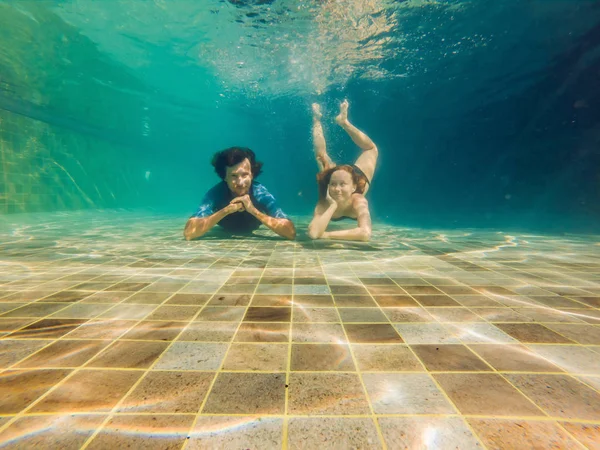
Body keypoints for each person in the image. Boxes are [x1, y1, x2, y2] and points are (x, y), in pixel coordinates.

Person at [184, 147, 296, 240]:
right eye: (234, 176)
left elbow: (290, 232)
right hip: (225, 228)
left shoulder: (260, 192)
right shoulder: (216, 193)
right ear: (224, 177)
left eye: (245, 175)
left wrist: (252, 210)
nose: (240, 182)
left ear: (252, 175)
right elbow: (189, 232)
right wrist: (226, 210)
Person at [307, 100, 378, 242]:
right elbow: (313, 233)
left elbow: (365, 233)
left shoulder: (358, 199)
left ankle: (344, 122)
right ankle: (316, 120)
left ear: (353, 187)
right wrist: (333, 205)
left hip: (357, 175)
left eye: (342, 185)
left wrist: (328, 235)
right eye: (333, 185)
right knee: (321, 156)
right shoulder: (325, 202)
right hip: (337, 176)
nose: (337, 189)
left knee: (372, 149)